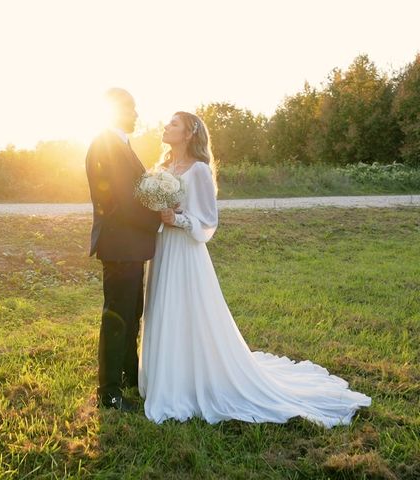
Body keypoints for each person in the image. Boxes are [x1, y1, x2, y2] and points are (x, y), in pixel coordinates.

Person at [138, 111, 371, 427]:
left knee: (186, 310)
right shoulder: (162, 169)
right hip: (163, 250)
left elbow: (208, 220)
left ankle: (191, 381)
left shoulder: (199, 171)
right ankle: (165, 375)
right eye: (167, 123)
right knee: (163, 307)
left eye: (173, 124)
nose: (165, 126)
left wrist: (177, 219)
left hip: (186, 252)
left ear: (190, 133)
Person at [85, 88, 162, 411]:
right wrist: (160, 218)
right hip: (119, 244)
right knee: (117, 316)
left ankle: (130, 376)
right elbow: (125, 200)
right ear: (117, 110)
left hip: (129, 245)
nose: (136, 115)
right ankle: (110, 393)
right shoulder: (107, 145)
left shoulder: (119, 144)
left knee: (131, 313)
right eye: (132, 109)